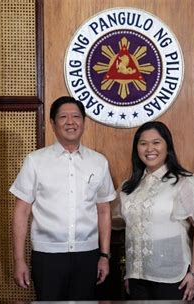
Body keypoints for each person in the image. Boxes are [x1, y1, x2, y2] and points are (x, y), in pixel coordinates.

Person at [9, 96, 116, 301]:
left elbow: (104, 211)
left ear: (84, 122)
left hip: (88, 256)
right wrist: (19, 259)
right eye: (63, 117)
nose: (70, 122)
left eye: (76, 116)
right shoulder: (35, 161)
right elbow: (21, 212)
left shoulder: (98, 162)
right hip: (47, 257)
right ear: (52, 123)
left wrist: (104, 256)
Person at [113, 121, 194, 300]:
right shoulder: (128, 187)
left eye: (156, 142)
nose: (149, 148)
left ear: (168, 146)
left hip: (172, 276)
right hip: (136, 278)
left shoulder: (184, 182)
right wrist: (131, 273)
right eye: (143, 143)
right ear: (137, 149)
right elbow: (116, 222)